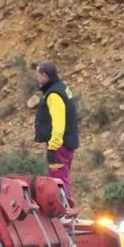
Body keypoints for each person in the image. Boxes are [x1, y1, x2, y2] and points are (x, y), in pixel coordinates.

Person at [34, 62, 80, 195]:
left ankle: (65, 207)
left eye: (38, 75)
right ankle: (66, 206)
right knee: (62, 178)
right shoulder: (62, 88)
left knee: (59, 182)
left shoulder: (53, 95)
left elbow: (58, 123)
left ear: (44, 75)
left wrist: (53, 147)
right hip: (67, 141)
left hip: (59, 145)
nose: (37, 78)